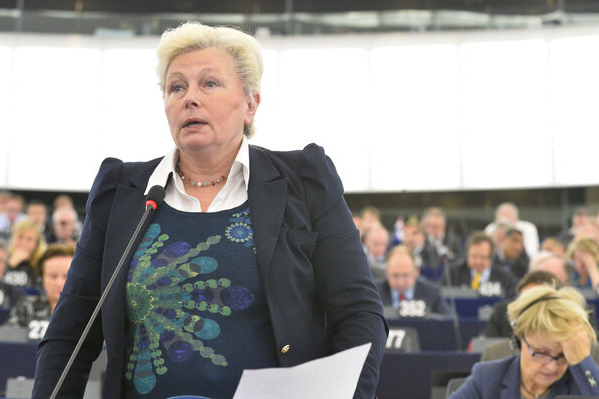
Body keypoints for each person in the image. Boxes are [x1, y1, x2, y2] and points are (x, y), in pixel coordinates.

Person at [33, 22, 387, 399]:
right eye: (177, 87)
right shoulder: (122, 190)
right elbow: (70, 333)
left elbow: (359, 315)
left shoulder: (304, 180)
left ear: (251, 103)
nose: (190, 98)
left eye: (210, 83)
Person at [449, 285, 599, 398]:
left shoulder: (582, 385)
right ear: (519, 339)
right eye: (542, 353)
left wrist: (583, 360)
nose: (552, 366)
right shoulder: (487, 378)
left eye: (562, 356)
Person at [7, 244, 74, 336]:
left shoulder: (86, 312)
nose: (59, 283)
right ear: (41, 278)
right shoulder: (26, 306)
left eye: (66, 276)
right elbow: (8, 339)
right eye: (53, 276)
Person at [376, 245, 450, 317]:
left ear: (416, 272)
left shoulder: (432, 293)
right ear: (386, 272)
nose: (400, 283)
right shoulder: (374, 293)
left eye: (406, 275)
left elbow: (447, 321)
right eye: (395, 275)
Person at [448, 232, 517, 298]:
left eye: (483, 257)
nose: (478, 261)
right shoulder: (453, 274)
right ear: (467, 255)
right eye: (474, 256)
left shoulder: (505, 278)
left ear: (491, 257)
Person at [2, 220, 46, 288]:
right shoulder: (2, 259)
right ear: (13, 239)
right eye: (20, 237)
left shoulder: (42, 264)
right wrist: (10, 265)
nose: (23, 242)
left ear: (36, 244)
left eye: (29, 239)